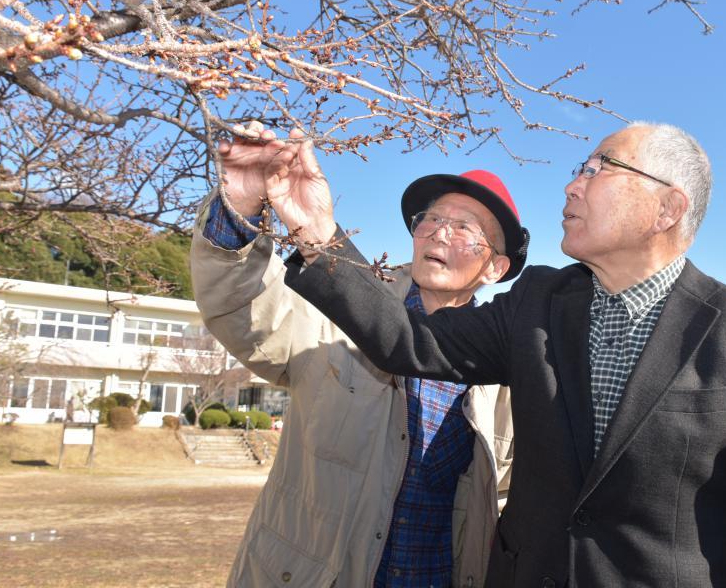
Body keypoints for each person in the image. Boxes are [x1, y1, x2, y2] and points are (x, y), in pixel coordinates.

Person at [264, 122, 726, 588]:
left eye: (600, 169)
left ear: (668, 209)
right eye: (579, 169)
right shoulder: (538, 302)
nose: (573, 184)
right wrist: (318, 235)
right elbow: (408, 340)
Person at [189, 122, 528, 588]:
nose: (439, 234)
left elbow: (506, 500)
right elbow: (246, 312)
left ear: (495, 267)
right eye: (431, 219)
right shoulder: (339, 300)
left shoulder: (504, 369)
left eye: (465, 228)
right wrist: (240, 208)